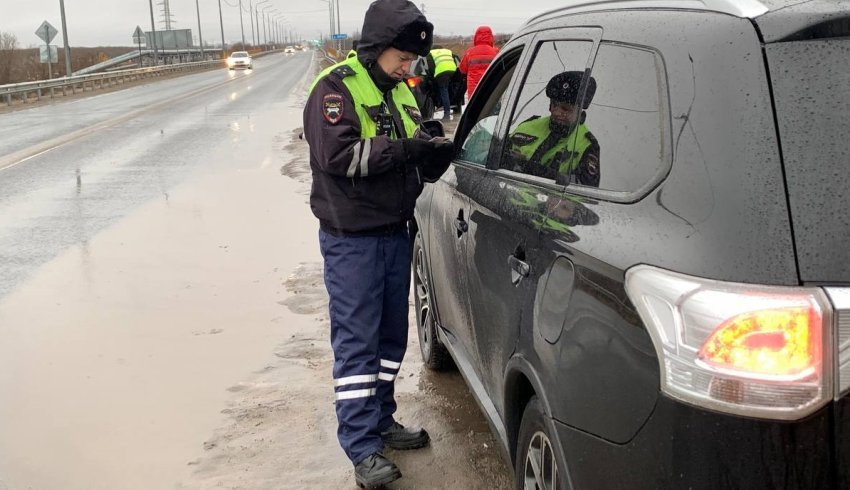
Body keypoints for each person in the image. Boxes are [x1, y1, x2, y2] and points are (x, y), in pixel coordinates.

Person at [302, 0, 454, 488]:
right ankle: (361, 444)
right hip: (353, 241)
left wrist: (430, 154)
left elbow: (411, 141)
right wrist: (406, 150)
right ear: (377, 47)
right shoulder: (336, 90)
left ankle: (382, 419)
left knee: (391, 339)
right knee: (357, 345)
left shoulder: (402, 92)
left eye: (412, 59)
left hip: (394, 233)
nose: (409, 66)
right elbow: (339, 156)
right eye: (402, 57)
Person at [509, 71, 600, 187]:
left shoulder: (586, 144)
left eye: (565, 109)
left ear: (580, 112)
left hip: (549, 203)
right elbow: (498, 154)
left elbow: (586, 190)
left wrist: (544, 173)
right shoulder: (527, 126)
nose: (557, 112)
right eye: (554, 105)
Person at [458, 25, 499, 99]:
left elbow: (462, 69)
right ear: (491, 37)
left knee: (476, 109)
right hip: (492, 89)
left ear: (476, 37)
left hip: (474, 90)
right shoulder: (496, 52)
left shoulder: (469, 52)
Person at [426, 45, 458, 119]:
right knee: (448, 87)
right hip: (453, 69)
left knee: (443, 90)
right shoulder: (448, 51)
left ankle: (447, 113)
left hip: (441, 72)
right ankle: (454, 103)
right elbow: (454, 61)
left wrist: (433, 75)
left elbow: (430, 66)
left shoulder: (431, 53)